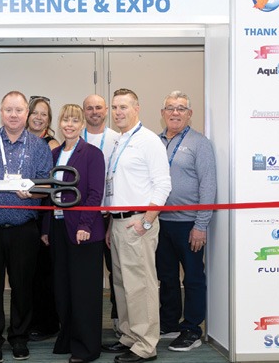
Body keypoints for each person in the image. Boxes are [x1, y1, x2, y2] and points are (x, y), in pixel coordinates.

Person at [0, 91, 53, 363]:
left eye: (18, 110)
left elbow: (46, 185)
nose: (13, 115)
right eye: (9, 110)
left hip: (24, 229)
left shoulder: (39, 146)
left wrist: (33, 193)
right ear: (1, 112)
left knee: (22, 286)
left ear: (26, 113)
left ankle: (19, 337)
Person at [102, 88, 171, 363]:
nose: (118, 112)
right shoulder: (120, 141)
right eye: (115, 107)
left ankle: (145, 345)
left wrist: (146, 221)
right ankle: (129, 336)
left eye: (123, 107)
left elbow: (163, 185)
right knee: (122, 285)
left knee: (140, 286)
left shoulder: (149, 141)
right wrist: (111, 225)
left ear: (137, 109)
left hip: (138, 223)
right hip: (119, 222)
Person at [40, 104, 105, 363]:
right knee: (63, 288)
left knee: (83, 292)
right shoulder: (54, 153)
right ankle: (67, 338)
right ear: (60, 123)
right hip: (58, 229)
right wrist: (46, 228)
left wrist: (85, 225)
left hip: (82, 231)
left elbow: (95, 194)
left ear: (82, 125)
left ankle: (87, 348)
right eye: (65, 120)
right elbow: (50, 194)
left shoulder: (92, 154)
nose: (69, 125)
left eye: (75, 120)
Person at [156, 91, 215, 352]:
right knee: (166, 277)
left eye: (181, 108)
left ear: (189, 114)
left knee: (192, 278)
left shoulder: (199, 143)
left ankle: (192, 329)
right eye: (170, 108)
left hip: (189, 224)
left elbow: (208, 185)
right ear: (163, 113)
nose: (175, 113)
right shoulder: (155, 142)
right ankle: (169, 323)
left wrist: (201, 225)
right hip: (159, 222)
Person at [81, 94, 121, 336]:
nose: (94, 111)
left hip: (110, 215)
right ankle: (86, 322)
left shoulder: (118, 139)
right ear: (84, 111)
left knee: (116, 270)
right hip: (85, 216)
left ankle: (118, 318)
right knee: (87, 272)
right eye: (89, 108)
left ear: (106, 110)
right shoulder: (76, 139)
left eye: (98, 107)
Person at [25, 95, 60, 342]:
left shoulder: (52, 144)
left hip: (44, 215)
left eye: (44, 114)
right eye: (35, 113)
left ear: (49, 119)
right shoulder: (19, 140)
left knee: (43, 272)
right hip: (22, 212)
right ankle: (28, 320)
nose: (38, 117)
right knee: (25, 272)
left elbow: (52, 186)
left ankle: (46, 323)